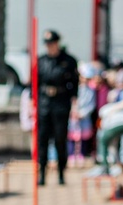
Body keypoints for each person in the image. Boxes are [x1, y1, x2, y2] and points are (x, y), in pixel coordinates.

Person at [36, 30, 78, 185]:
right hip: (45, 104)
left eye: (52, 43)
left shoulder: (68, 61)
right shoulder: (41, 61)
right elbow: (35, 83)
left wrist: (74, 102)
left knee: (60, 139)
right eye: (48, 44)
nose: (50, 47)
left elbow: (74, 84)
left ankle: (61, 173)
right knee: (43, 140)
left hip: (61, 103)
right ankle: (42, 174)